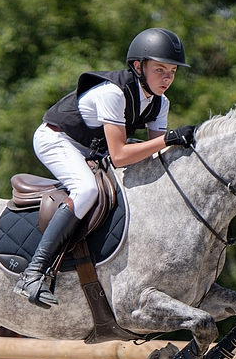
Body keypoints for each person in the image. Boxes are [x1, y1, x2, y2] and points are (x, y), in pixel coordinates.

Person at [14, 27, 195, 308]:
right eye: (160, 69)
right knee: (86, 190)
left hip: (91, 148)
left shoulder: (160, 103)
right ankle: (33, 273)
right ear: (138, 66)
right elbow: (121, 155)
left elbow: (154, 152)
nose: (168, 78)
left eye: (172, 71)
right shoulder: (113, 93)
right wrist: (168, 139)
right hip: (56, 139)